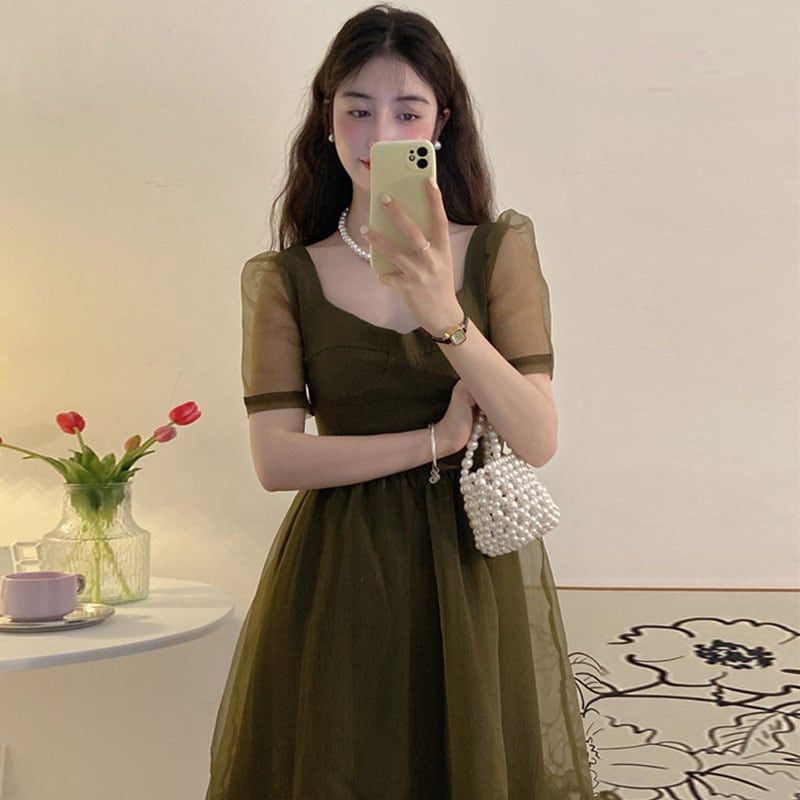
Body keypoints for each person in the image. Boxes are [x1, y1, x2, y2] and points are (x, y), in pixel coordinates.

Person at [207, 5, 594, 798]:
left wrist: (443, 312)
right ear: (326, 119)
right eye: (357, 110)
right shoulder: (287, 278)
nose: (380, 133)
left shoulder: (497, 251)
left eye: (407, 112)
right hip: (339, 572)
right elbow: (276, 460)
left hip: (473, 574)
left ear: (440, 123)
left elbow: (538, 437)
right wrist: (435, 441)